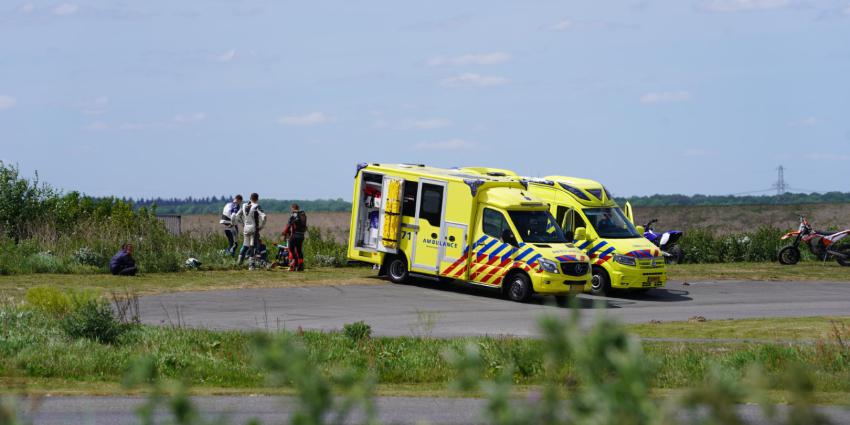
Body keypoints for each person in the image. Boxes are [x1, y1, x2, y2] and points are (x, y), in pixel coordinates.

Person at [233, 193, 266, 265]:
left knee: (245, 245)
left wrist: (242, 224)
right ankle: (251, 265)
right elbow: (264, 216)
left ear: (250, 198)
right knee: (252, 246)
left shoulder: (244, 205)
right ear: (257, 199)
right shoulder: (257, 206)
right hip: (254, 229)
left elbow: (237, 216)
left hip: (246, 228)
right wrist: (261, 226)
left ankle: (239, 263)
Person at [282, 203, 307, 271]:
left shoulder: (294, 214)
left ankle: (294, 264)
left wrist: (284, 233)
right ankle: (300, 266)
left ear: (292, 208)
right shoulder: (303, 214)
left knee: (291, 249)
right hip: (301, 235)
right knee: (299, 251)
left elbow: (289, 225)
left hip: (294, 235)